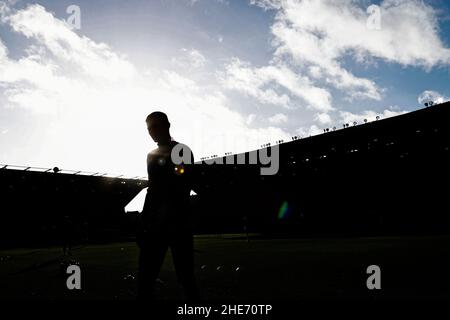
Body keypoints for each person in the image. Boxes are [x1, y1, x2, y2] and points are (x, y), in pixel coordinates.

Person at [137, 111, 199, 301]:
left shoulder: (182, 150)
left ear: (167, 125)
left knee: (186, 277)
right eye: (149, 128)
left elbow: (183, 185)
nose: (152, 132)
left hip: (177, 222)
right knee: (146, 278)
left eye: (155, 126)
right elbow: (152, 189)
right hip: (157, 223)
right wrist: (144, 220)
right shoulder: (151, 155)